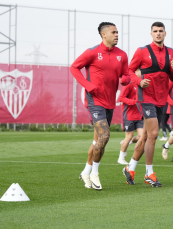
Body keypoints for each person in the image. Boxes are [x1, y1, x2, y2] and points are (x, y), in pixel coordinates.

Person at [70, 22, 130, 190]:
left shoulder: (122, 55)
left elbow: (126, 74)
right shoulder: (92, 52)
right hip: (95, 100)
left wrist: (126, 79)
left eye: (118, 32)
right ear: (104, 35)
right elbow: (74, 68)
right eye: (113, 32)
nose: (117, 35)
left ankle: (85, 171)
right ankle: (95, 173)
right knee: (104, 136)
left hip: (110, 101)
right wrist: (87, 86)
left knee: (98, 141)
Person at [122, 21, 173, 187]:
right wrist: (139, 82)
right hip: (145, 98)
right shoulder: (142, 51)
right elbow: (129, 71)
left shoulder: (171, 52)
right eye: (155, 31)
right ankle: (149, 173)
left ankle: (130, 168)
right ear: (151, 34)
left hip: (161, 99)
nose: (158, 33)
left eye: (161, 31)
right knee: (153, 134)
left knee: (146, 135)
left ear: (165, 34)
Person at [117, 70, 144, 165]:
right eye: (141, 70)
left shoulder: (142, 84)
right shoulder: (129, 84)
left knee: (142, 136)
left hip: (139, 116)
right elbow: (121, 98)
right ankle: (121, 158)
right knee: (128, 137)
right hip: (129, 115)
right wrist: (133, 102)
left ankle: (130, 143)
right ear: (136, 71)